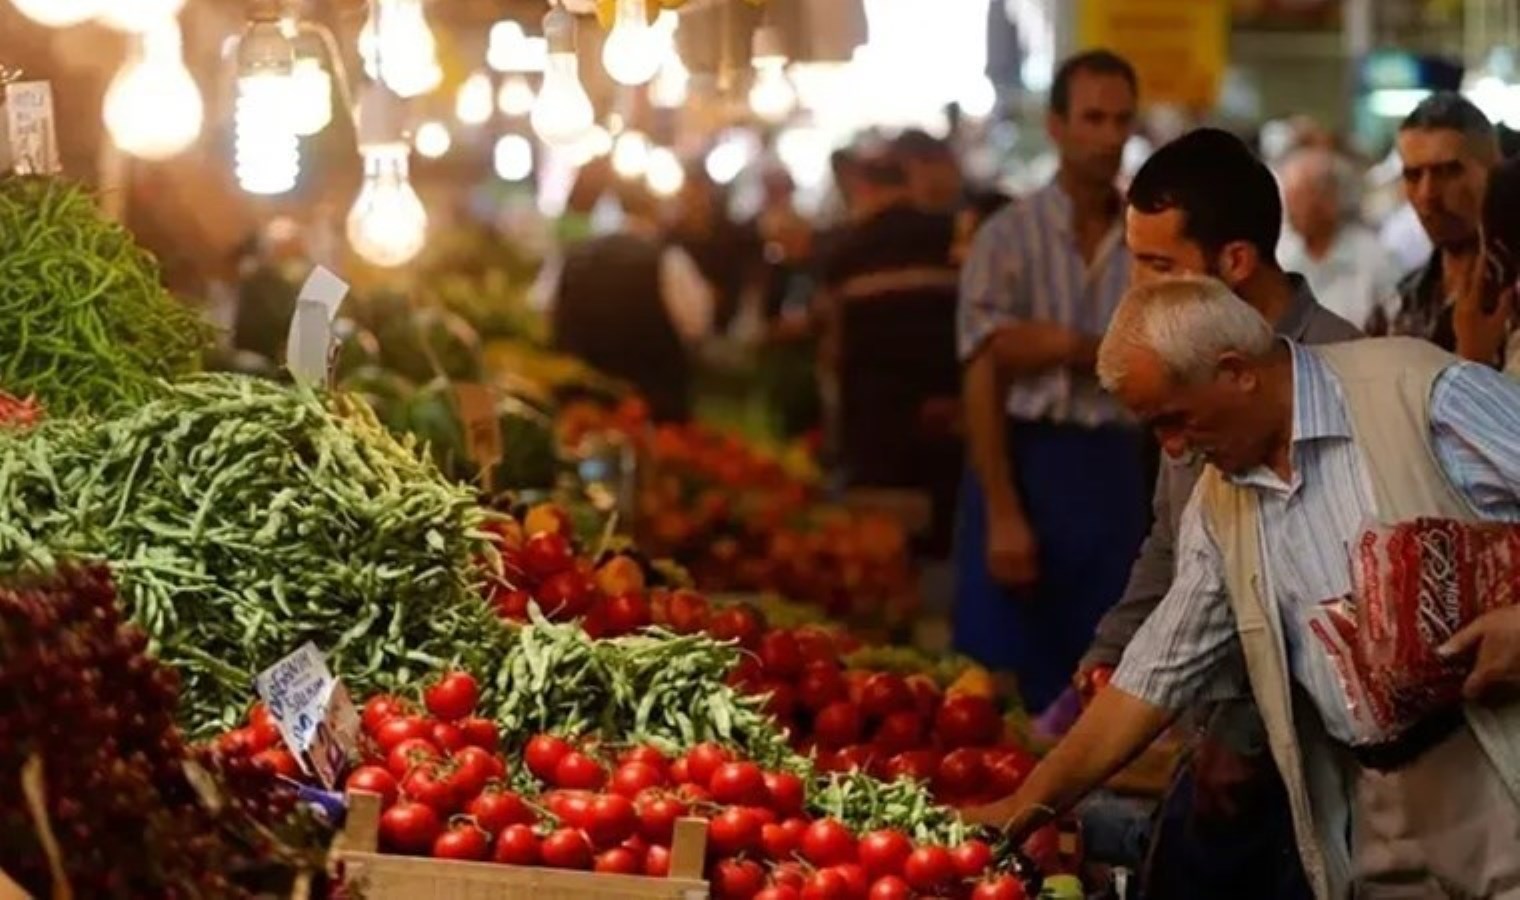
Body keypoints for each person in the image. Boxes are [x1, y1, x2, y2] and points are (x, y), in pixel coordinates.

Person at [966, 275, 1520, 899]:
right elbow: (1154, 675)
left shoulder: (1416, 392)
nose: (1174, 449)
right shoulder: (1220, 502)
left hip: (1496, 768)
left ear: (1236, 372)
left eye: (1174, 420)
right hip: (1376, 806)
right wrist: (1024, 807)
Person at [1079, 127, 1360, 899]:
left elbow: (1321, 592)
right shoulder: (1179, 358)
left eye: (1160, 265)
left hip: (1313, 760)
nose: (1138, 288)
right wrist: (1114, 644)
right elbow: (1174, 541)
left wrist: (1239, 727)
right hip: (1214, 735)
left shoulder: (1341, 373)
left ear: (1235, 261)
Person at [955, 49, 1143, 713]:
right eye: (1092, 118)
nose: (1108, 137)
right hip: (1024, 461)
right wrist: (1003, 510)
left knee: (1105, 676)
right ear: (1057, 126)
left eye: (1121, 120)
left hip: (1119, 470)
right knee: (1005, 685)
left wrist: (1062, 345)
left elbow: (1159, 362)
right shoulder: (1007, 237)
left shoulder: (1146, 241)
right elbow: (985, 370)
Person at [818, 151, 962, 555]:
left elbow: (832, 345)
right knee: (939, 544)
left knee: (878, 559)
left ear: (863, 189)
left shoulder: (847, 249)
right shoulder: (949, 237)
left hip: (873, 424)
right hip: (946, 420)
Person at [551, 178, 713, 422]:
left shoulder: (576, 254)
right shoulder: (670, 261)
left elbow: (548, 308)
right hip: (652, 409)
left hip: (580, 404)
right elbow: (696, 327)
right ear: (656, 208)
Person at [1375, 92, 1499, 349]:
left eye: (1447, 172)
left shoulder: (1510, 296)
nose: (1427, 194)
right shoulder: (1397, 307)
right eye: (1413, 175)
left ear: (1494, 171)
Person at [1277, 146, 1401, 330]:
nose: (1290, 211)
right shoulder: (1282, 255)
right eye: (1288, 199)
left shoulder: (1374, 259)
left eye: (1299, 199)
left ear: (1329, 201)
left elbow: (1397, 326)